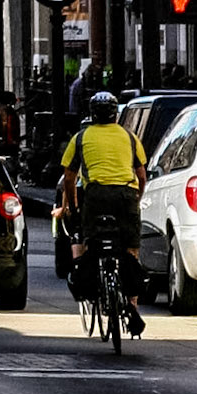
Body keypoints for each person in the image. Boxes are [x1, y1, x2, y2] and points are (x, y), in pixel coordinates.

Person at [60, 91, 148, 336]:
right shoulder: (130, 137)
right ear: (115, 114)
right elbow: (141, 175)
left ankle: (93, 283)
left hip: (96, 195)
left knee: (91, 240)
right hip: (126, 195)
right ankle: (132, 303)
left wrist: (73, 206)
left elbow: (69, 177)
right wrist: (136, 199)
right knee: (131, 247)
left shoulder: (81, 137)